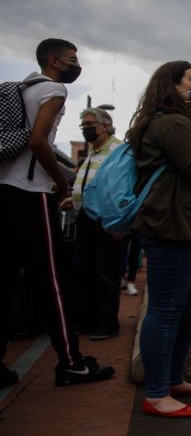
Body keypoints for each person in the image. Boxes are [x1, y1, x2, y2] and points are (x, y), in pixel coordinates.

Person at [0, 38, 115, 388]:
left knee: (3, 281)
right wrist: (60, 184)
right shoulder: (53, 89)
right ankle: (71, 362)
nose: (76, 63)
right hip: (31, 192)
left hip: (4, 192)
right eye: (71, 58)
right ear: (53, 60)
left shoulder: (19, 89)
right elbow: (38, 141)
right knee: (54, 280)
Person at [126, 61, 191, 418]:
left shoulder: (171, 122)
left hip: (183, 224)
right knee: (167, 309)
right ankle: (157, 394)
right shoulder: (170, 123)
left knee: (187, 307)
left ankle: (172, 379)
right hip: (172, 226)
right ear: (172, 86)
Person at [64, 107, 128, 340]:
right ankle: (89, 320)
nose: (87, 129)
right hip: (86, 218)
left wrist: (121, 224)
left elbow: (123, 186)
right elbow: (92, 185)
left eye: (90, 124)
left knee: (105, 272)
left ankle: (107, 324)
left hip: (106, 220)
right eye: (84, 126)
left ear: (105, 125)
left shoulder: (118, 150)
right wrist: (73, 200)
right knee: (83, 271)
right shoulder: (94, 152)